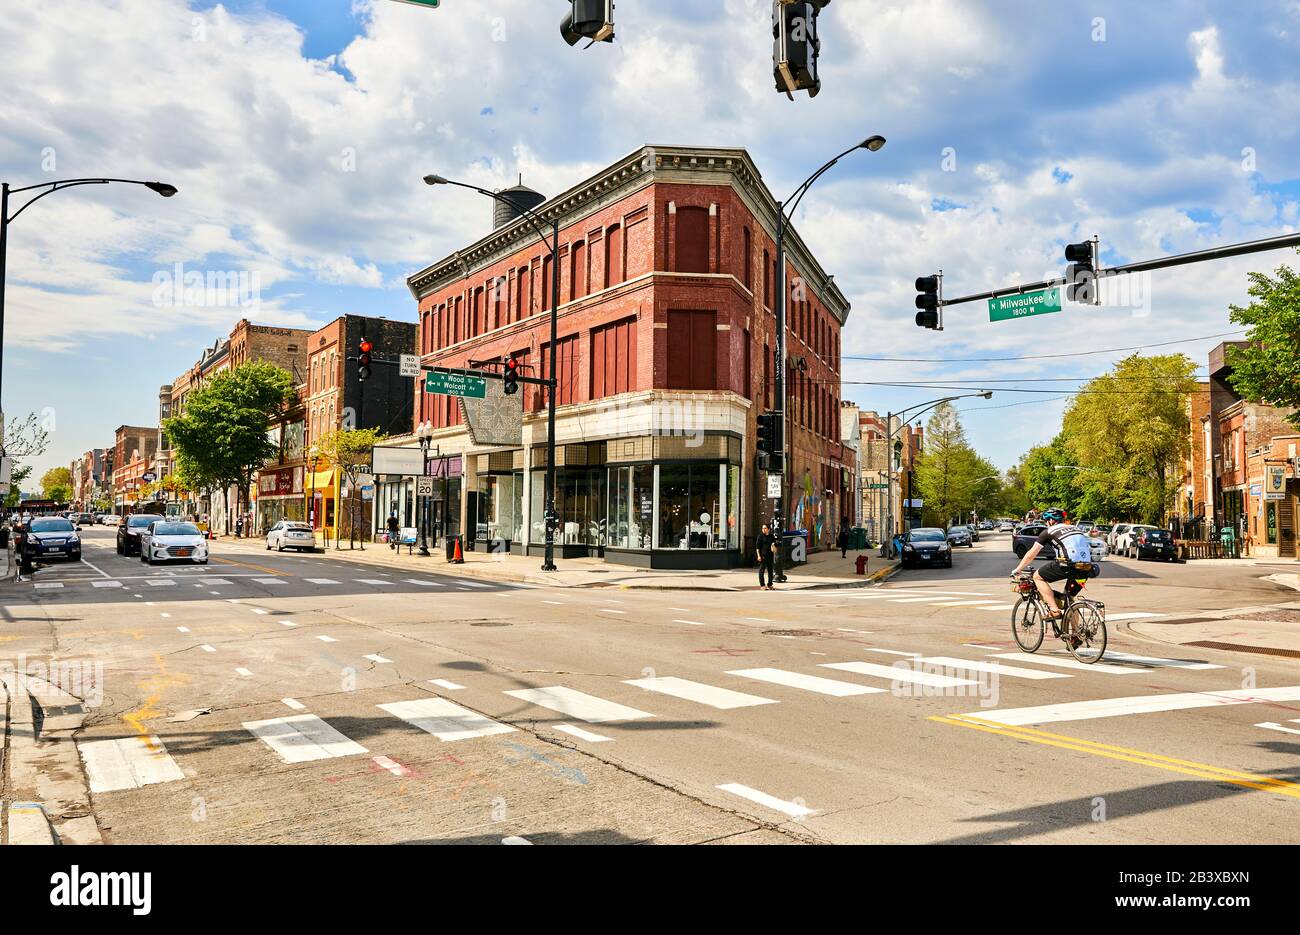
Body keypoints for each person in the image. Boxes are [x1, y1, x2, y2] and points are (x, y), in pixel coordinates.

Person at [1010, 508, 1096, 619]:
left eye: (1046, 521)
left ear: (1051, 520)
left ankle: (1055, 610)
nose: (1046, 523)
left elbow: (1031, 554)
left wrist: (1018, 569)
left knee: (1037, 577)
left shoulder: (1048, 532)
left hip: (1068, 565)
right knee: (1069, 601)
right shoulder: (1076, 528)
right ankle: (1076, 635)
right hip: (1086, 568)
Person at [756, 522, 777, 590]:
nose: (763, 529)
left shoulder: (772, 536)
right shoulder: (760, 536)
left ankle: (770, 584)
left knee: (770, 571)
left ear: (768, 529)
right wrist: (759, 556)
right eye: (762, 528)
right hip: (763, 556)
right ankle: (762, 585)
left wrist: (773, 546)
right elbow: (757, 548)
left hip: (770, 556)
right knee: (761, 571)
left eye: (765, 528)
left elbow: (775, 549)